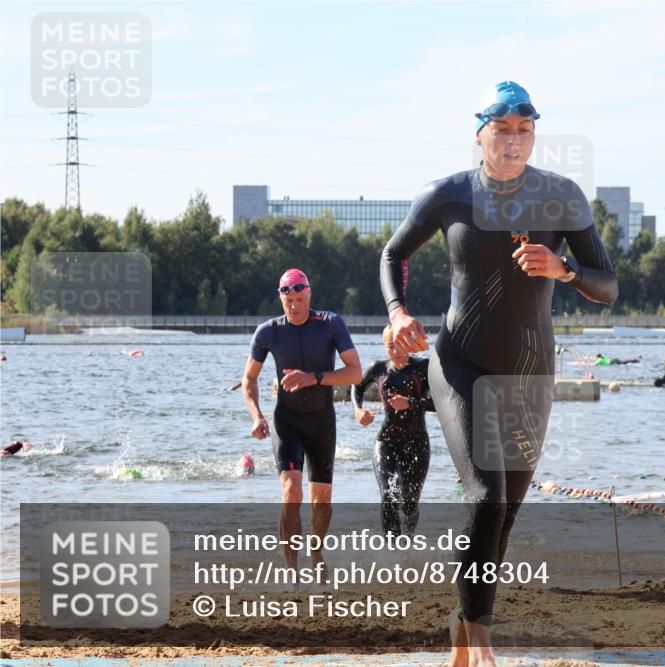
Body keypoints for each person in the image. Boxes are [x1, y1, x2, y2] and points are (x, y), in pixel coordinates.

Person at [380, 81, 617, 667]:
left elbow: (607, 286)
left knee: (507, 506)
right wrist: (396, 313)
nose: (514, 140)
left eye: (525, 130)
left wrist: (564, 268)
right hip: (461, 363)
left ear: (534, 135)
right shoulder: (448, 194)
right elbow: (393, 255)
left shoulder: (562, 197)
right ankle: (483, 646)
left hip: (532, 371)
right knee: (486, 495)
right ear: (480, 133)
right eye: (503, 129)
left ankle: (463, 630)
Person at [240, 268, 362, 570]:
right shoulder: (268, 331)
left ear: (309, 294)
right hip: (287, 421)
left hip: (322, 422)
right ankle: (290, 567)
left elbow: (355, 372)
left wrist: (313, 378)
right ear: (281, 298)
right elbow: (249, 379)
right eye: (288, 300)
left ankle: (316, 551)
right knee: (292, 492)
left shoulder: (331, 324)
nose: (294, 305)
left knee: (321, 503)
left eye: (299, 298)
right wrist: (256, 416)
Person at [352, 325, 435, 536]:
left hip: (417, 443)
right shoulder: (378, 369)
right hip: (386, 441)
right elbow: (357, 386)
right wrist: (358, 409)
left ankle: (408, 544)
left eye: (399, 345)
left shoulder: (424, 368)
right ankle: (392, 550)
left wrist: (411, 403)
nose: (396, 351)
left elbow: (439, 403)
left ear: (407, 343)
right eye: (390, 346)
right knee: (389, 493)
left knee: (409, 503)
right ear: (384, 346)